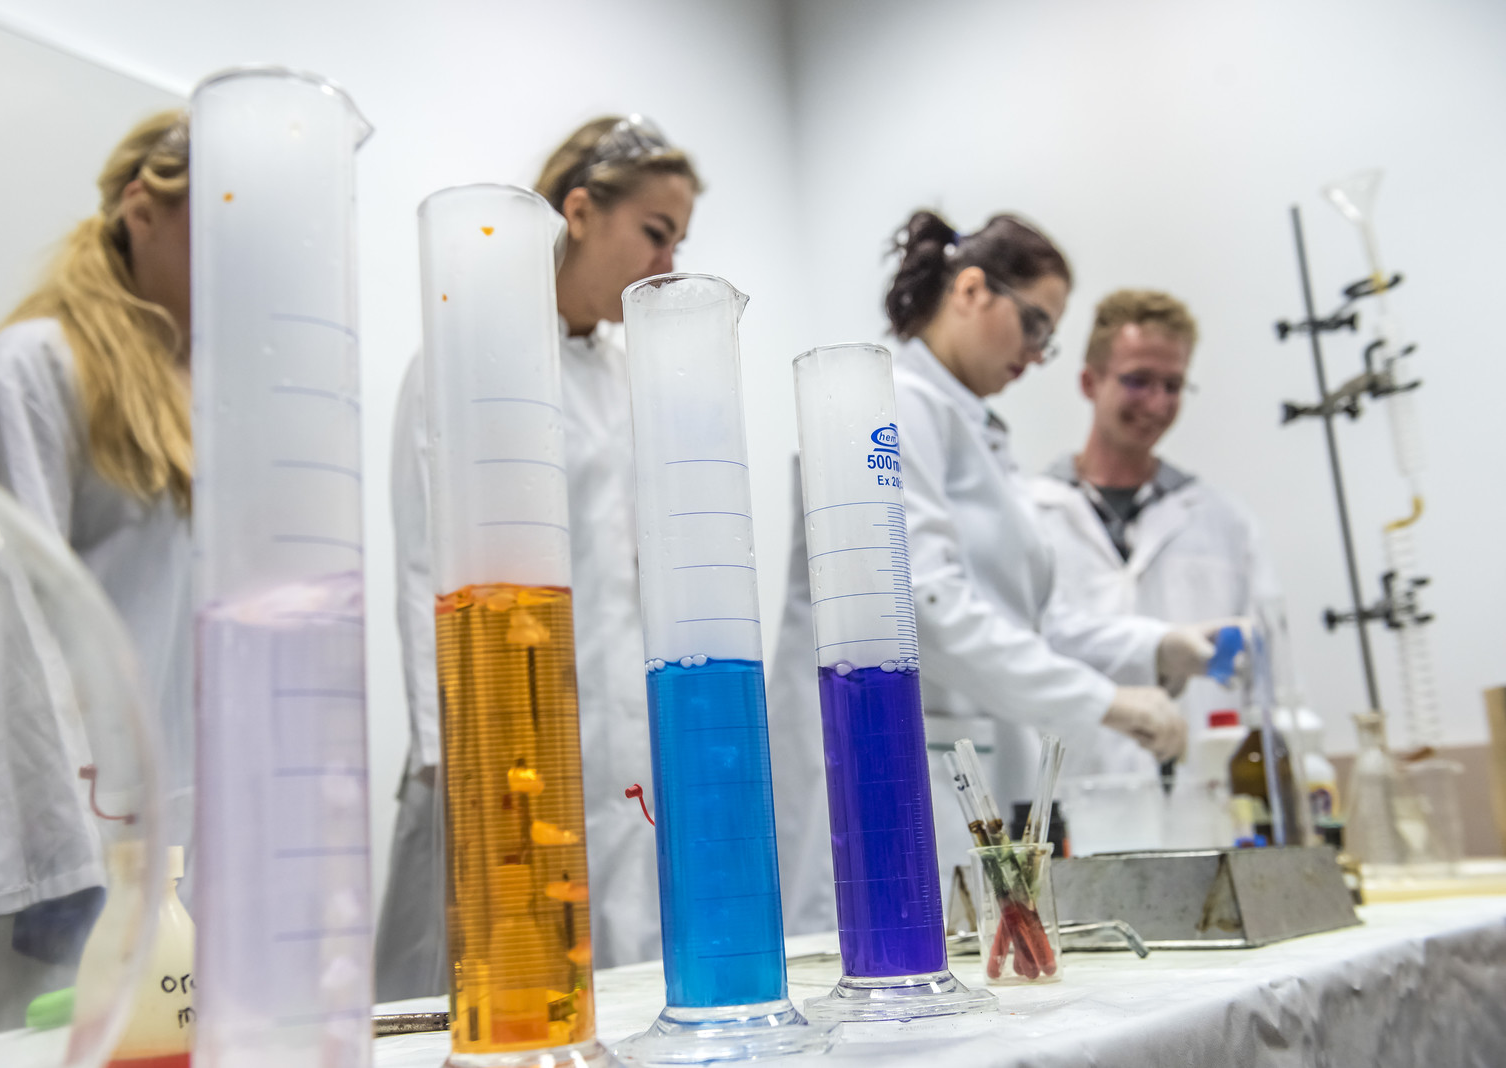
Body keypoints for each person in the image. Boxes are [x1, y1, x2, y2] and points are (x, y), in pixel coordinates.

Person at [771, 211, 1220, 903]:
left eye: (1048, 337)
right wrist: (1103, 701)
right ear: (972, 290)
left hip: (969, 791)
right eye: (1034, 323)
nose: (1037, 354)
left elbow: (1030, 622)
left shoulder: (974, 429)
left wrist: (1155, 648)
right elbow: (924, 607)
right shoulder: (888, 403)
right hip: (894, 779)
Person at [376, 116, 703, 998]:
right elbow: (424, 565)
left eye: (679, 241)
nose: (667, 262)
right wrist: (452, 755)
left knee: (621, 981)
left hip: (618, 739)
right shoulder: (468, 352)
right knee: (474, 989)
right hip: (495, 733)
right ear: (582, 211)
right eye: (656, 232)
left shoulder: (627, 376)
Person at [0, 111, 193, 1039]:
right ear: (142, 208)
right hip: (78, 857)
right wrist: (61, 872)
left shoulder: (210, 394)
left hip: (177, 851)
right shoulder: (35, 366)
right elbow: (3, 629)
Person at [1028, 290, 1276, 777]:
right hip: (1068, 793)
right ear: (1089, 381)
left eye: (1173, 385)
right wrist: (1157, 648)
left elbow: (1269, 680)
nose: (1158, 403)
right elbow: (1022, 646)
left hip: (1201, 794)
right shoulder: (1029, 514)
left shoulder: (1225, 522)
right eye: (1138, 381)